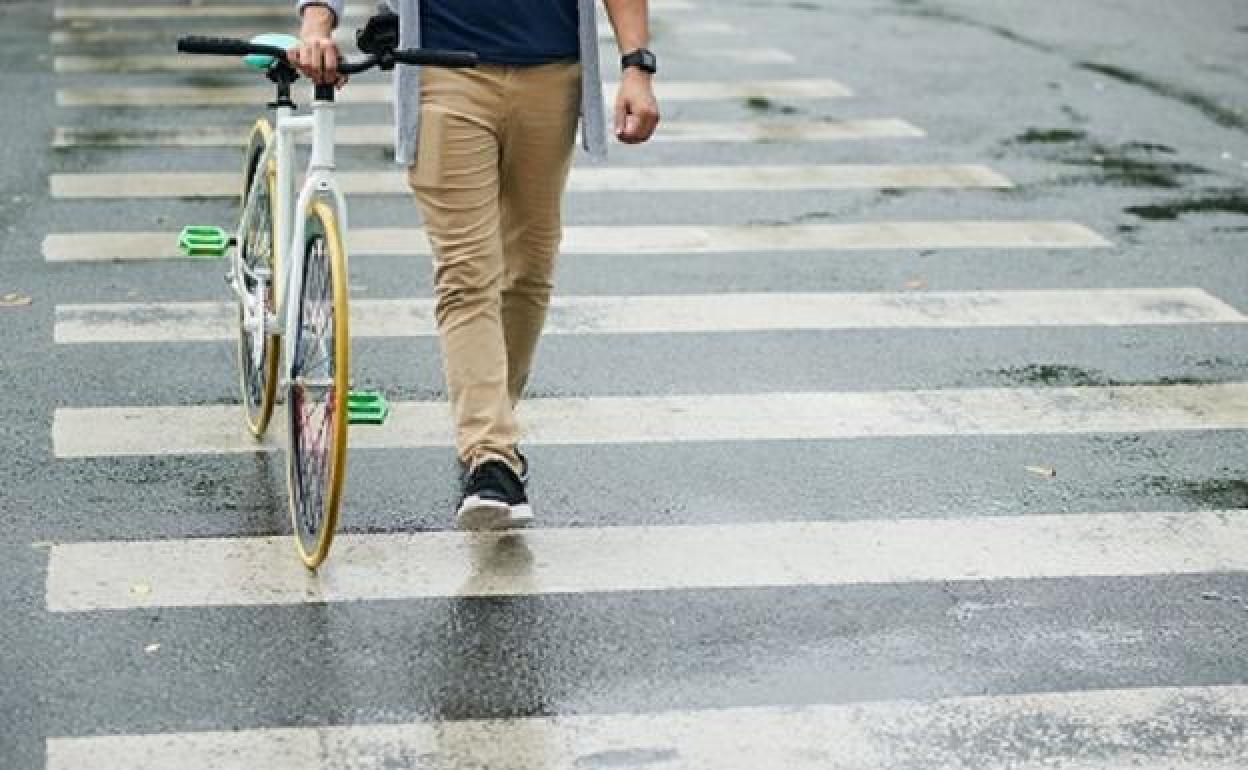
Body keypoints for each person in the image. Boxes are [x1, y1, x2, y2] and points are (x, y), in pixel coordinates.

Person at [291, 0, 660, 529]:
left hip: (553, 75)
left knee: (529, 269)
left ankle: (492, 428)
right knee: (467, 272)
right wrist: (316, 23)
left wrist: (636, 65)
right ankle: (490, 456)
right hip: (444, 74)